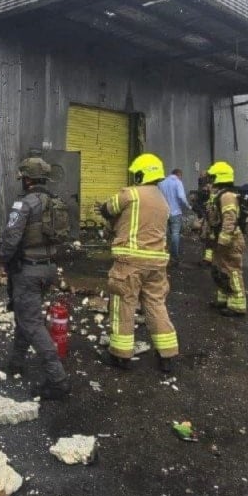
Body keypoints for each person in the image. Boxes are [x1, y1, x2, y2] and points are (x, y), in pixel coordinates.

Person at [0, 157, 71, 400]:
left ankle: (57, 379)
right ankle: (16, 362)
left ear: (27, 179)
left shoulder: (25, 204)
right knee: (25, 314)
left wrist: (4, 259)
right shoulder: (55, 202)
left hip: (27, 269)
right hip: (47, 268)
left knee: (31, 323)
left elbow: (11, 238)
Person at [99, 153, 179, 373]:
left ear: (141, 174)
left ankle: (120, 354)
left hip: (131, 262)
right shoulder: (162, 201)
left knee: (123, 304)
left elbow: (107, 209)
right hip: (157, 264)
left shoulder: (130, 193)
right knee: (155, 304)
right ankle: (168, 354)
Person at [205, 161, 246, 317]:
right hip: (220, 241)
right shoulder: (219, 195)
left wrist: (223, 240)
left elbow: (230, 219)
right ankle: (224, 299)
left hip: (230, 241)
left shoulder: (227, 196)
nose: (210, 180)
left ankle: (237, 305)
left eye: (212, 177)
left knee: (232, 272)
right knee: (220, 271)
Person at [158, 168, 192, 265]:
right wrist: (187, 206)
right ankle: (174, 256)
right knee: (175, 233)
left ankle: (162, 254)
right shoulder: (178, 182)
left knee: (163, 234)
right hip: (175, 212)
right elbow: (181, 196)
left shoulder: (162, 183)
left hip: (164, 212)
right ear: (179, 175)